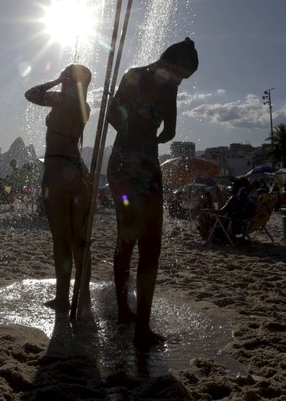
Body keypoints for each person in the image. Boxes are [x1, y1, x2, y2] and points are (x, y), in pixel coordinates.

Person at [107, 37, 198, 348]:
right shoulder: (161, 85)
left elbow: (112, 116)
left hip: (126, 161)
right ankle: (135, 322)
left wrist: (136, 127)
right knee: (144, 243)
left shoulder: (135, 76)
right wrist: (150, 134)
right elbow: (168, 132)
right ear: (171, 63)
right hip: (137, 164)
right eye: (182, 74)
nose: (180, 81)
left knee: (133, 240)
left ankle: (128, 314)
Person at [24, 64, 92, 313]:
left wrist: (55, 80)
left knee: (61, 239)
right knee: (80, 239)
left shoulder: (60, 99)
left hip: (56, 169)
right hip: (78, 171)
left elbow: (31, 94)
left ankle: (63, 297)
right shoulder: (86, 107)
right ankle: (83, 296)